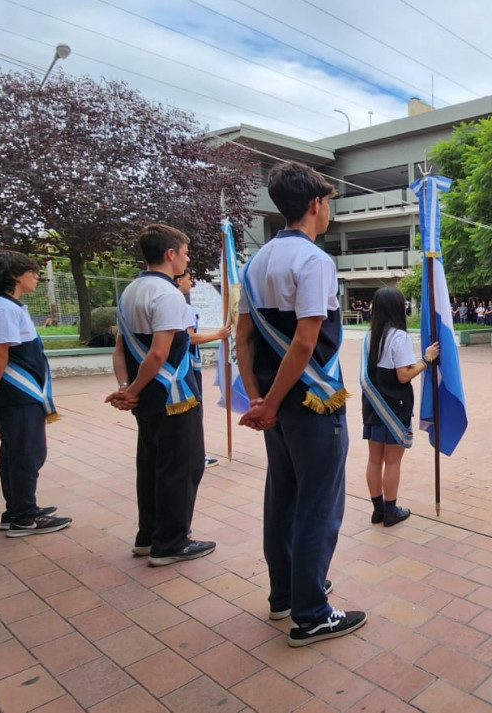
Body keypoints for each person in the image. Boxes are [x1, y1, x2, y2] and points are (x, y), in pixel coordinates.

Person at [235, 161, 366, 647]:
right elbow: (306, 342)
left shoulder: (254, 262)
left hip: (273, 405)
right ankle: (311, 613)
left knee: (283, 498)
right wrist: (270, 400)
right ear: (315, 204)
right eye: (328, 202)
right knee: (318, 505)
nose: (328, 210)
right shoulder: (314, 261)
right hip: (311, 401)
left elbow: (243, 340)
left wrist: (257, 397)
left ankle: (285, 594)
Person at [107, 225, 213, 566]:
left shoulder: (130, 290)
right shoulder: (167, 295)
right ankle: (171, 542)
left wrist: (127, 389)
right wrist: (133, 389)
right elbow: (158, 353)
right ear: (170, 254)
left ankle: (148, 536)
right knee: (181, 468)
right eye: (184, 252)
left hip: (145, 398)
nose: (187, 258)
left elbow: (121, 349)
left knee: (151, 466)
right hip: (173, 396)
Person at [0, 251, 70, 537]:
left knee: (14, 451)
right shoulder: (3, 309)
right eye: (32, 271)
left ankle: (16, 509)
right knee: (28, 453)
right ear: (13, 276)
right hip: (17, 394)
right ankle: (24, 517)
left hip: (10, 394)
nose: (37, 276)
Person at [361, 287, 438, 529]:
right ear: (397, 309)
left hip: (373, 404)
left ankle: (378, 510)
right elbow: (404, 375)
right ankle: (392, 511)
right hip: (394, 405)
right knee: (392, 461)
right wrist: (426, 360)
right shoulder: (399, 337)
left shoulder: (369, 335)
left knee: (374, 459)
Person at [176, 271, 232, 469]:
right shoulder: (184, 307)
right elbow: (189, 337)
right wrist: (218, 334)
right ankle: (195, 455)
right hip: (187, 367)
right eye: (188, 279)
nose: (191, 283)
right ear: (178, 280)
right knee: (193, 412)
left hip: (177, 366)